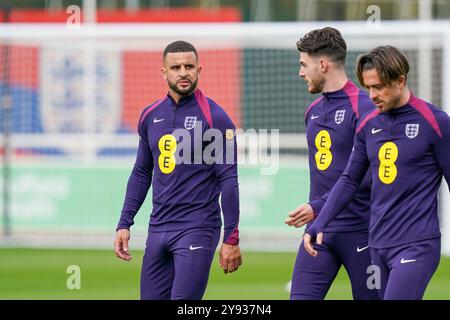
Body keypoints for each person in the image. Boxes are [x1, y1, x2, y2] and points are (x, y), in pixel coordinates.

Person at [304, 45, 450, 300]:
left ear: (400, 80)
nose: (371, 95)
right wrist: (318, 224)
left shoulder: (435, 122)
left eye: (378, 86)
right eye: (368, 87)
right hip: (378, 245)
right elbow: (349, 180)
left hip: (417, 244)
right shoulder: (368, 124)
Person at [114, 40, 242, 300]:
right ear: (164, 72)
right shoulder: (150, 116)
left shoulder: (215, 118)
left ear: (199, 70)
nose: (183, 72)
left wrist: (231, 237)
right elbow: (141, 172)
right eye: (175, 67)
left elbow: (229, 179)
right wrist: (124, 222)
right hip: (158, 228)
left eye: (189, 66)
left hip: (197, 227)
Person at [284, 27, 379, 300]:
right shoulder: (312, 112)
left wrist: (317, 206)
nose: (300, 72)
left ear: (323, 64)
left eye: (304, 64)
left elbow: (367, 175)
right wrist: (318, 212)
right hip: (319, 232)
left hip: (363, 232)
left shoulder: (364, 107)